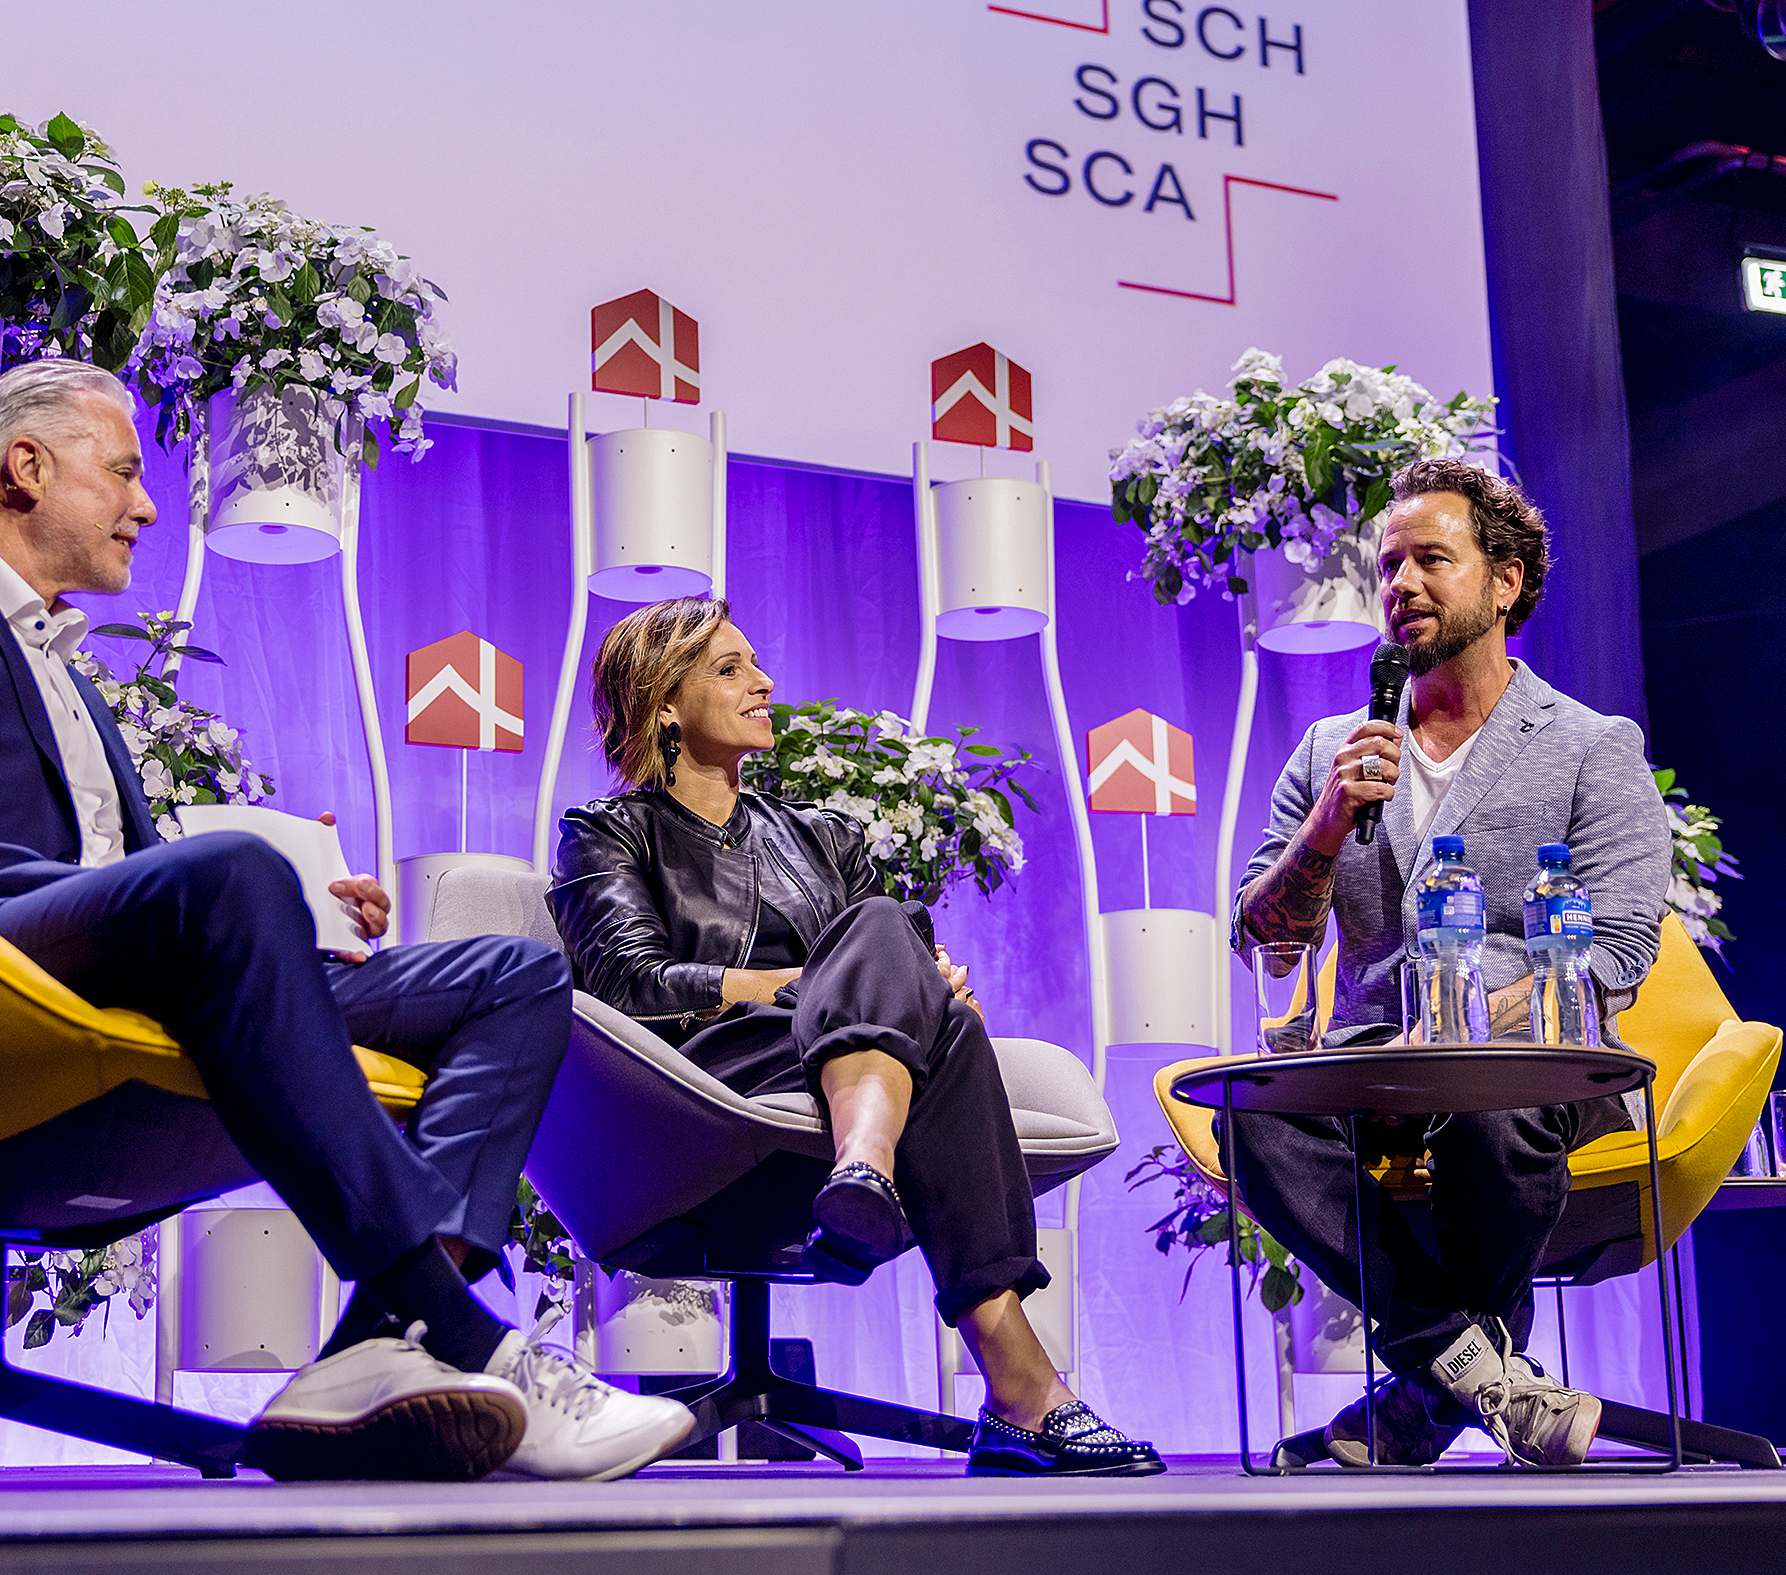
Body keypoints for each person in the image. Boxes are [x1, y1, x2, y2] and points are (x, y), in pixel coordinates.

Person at [0, 358, 691, 1484]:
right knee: (226, 868)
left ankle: (374, 1343)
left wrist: (275, 929)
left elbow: (132, 871)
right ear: (27, 468)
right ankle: (459, 1329)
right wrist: (160, 901)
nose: (147, 507)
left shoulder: (74, 671)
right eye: (125, 473)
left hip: (113, 969)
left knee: (512, 975)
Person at [545, 597, 1165, 1478]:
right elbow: (626, 985)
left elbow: (901, 957)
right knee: (891, 958)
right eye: (730, 669)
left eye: (757, 663)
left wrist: (928, 984)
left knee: (910, 969)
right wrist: (814, 986)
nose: (764, 682)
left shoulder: (822, 834)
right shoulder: (608, 832)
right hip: (701, 1085)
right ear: (663, 704)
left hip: (829, 1067)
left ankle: (875, 1189)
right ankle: (1017, 1386)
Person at [1229, 457, 1670, 1468]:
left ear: (1504, 581)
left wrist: (1469, 1033)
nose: (1401, 585)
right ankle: (1481, 1375)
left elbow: (1618, 951)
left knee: (1493, 1107)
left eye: (1432, 559)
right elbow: (1265, 933)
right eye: (1389, 566)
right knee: (1254, 1118)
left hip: (1532, 1056)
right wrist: (1329, 824)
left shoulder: (1589, 746)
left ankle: (1434, 1391)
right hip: (1372, 1054)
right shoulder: (1330, 749)